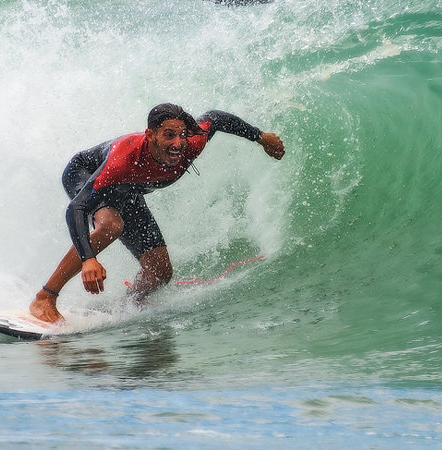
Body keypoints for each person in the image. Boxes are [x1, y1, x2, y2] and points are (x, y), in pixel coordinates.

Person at [29, 103, 285, 323]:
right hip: (85, 174)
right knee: (111, 225)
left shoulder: (190, 143)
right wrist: (88, 260)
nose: (177, 144)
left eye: (181, 135)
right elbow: (77, 207)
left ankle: (131, 302)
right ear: (151, 135)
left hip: (126, 191)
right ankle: (45, 298)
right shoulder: (122, 161)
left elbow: (216, 118)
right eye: (169, 135)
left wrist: (261, 137)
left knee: (160, 272)